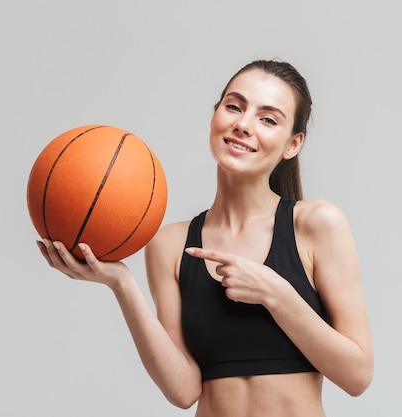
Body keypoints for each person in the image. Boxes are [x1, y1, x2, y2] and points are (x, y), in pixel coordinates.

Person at [37, 59, 374, 417]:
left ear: (293, 144)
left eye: (268, 118)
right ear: (215, 117)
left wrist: (275, 294)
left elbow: (357, 375)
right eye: (234, 106)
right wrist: (121, 283)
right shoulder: (169, 244)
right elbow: (183, 391)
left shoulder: (316, 224)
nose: (243, 124)